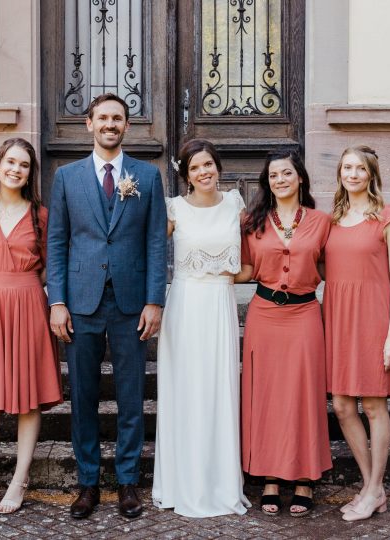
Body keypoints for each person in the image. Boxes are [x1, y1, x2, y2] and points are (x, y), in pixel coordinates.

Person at [47, 93, 167, 519]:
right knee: (83, 398)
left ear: (126, 126)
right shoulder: (67, 177)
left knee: (131, 397)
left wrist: (155, 300)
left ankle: (129, 483)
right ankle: (88, 483)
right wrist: (57, 301)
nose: (110, 124)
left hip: (132, 304)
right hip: (81, 303)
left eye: (117, 118)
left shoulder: (147, 177)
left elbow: (156, 242)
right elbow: (57, 242)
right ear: (89, 124)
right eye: (103, 118)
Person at [152, 139, 251, 517]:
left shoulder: (235, 205)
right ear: (185, 175)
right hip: (186, 305)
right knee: (186, 390)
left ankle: (221, 485)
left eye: (208, 164)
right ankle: (183, 483)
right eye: (195, 167)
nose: (203, 172)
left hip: (219, 305)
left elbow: (253, 262)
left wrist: (234, 275)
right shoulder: (173, 209)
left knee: (218, 390)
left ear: (218, 167)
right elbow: (149, 253)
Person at [235, 149, 333, 517]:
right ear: (267, 182)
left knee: (304, 395)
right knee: (267, 395)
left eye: (287, 173)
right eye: (274, 175)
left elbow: (333, 268)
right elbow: (243, 269)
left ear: (301, 178)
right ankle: (270, 477)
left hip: (305, 314)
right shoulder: (251, 221)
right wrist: (203, 272)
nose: (280, 180)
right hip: (264, 315)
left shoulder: (322, 222)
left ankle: (305, 477)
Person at [0, 138, 63, 514]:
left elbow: (50, 265)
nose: (16, 169)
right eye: (10, 162)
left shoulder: (40, 215)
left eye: (23, 165)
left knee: (27, 401)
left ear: (30, 173)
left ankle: (19, 480)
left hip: (28, 306)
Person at [323, 145, 390, 522]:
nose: (352, 174)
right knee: (341, 406)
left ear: (371, 174)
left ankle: (373, 489)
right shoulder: (332, 220)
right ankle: (373, 486)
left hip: (373, 319)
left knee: (373, 405)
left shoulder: (388, 217)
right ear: (339, 173)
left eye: (359, 168)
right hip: (338, 320)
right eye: (346, 168)